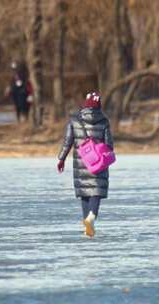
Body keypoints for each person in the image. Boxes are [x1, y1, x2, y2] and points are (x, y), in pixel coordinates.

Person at [56, 92, 114, 238]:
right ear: (99, 105)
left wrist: (61, 159)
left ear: (86, 104)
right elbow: (109, 145)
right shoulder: (104, 121)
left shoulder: (75, 121)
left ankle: (87, 227)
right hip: (98, 163)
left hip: (82, 163)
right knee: (96, 192)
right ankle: (91, 219)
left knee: (85, 193)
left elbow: (67, 142)